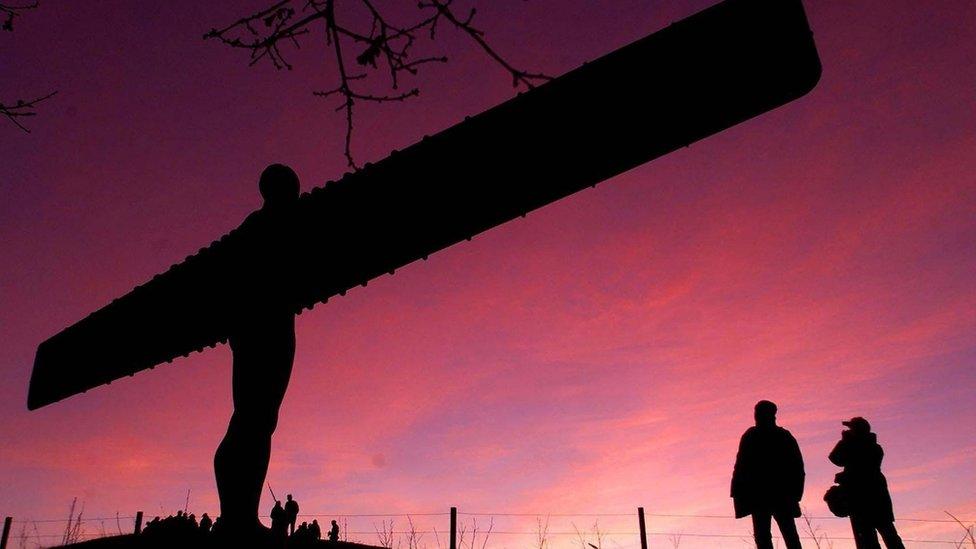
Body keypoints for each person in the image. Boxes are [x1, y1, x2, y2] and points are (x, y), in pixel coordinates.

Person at [213, 164, 301, 536]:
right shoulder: (275, 226)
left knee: (255, 419)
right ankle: (238, 517)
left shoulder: (252, 229)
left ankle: (239, 514)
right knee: (254, 418)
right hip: (266, 328)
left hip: (256, 329)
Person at [731, 400, 804, 549]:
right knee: (765, 536)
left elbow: (797, 467)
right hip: (760, 496)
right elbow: (740, 467)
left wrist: (795, 494)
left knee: (788, 535)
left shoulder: (782, 436)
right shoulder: (752, 436)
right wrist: (737, 492)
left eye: (759, 412)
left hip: (779, 495)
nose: (757, 416)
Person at [829, 417, 905, 549]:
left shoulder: (869, 448)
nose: (849, 431)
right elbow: (836, 459)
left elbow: (840, 461)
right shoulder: (871, 447)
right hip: (871, 499)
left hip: (866, 499)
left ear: (858, 431)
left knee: (885, 536)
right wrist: (846, 442)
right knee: (878, 537)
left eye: (852, 429)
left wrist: (845, 442)